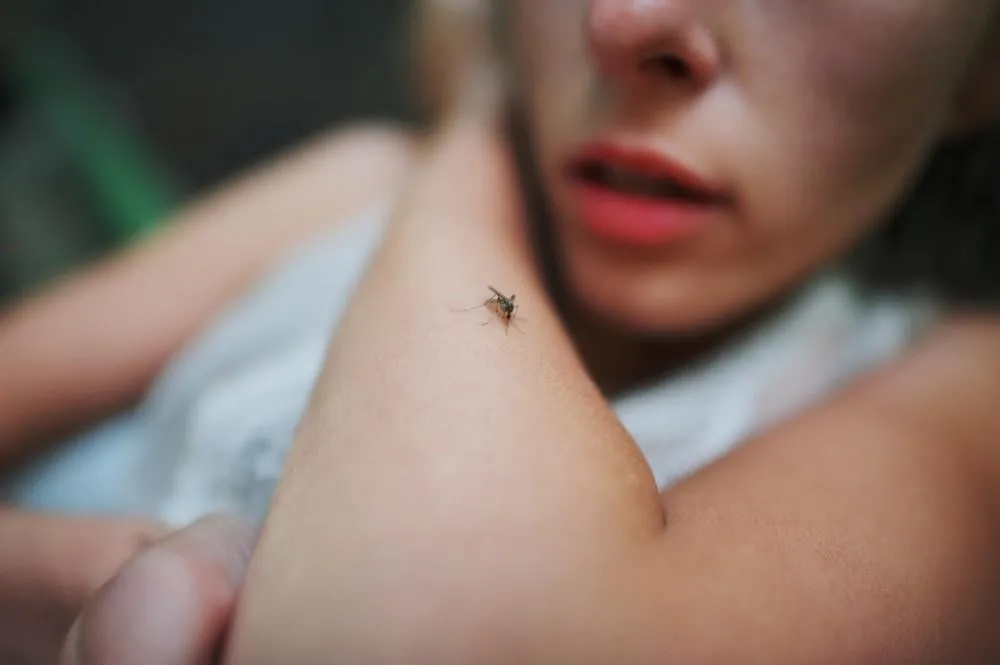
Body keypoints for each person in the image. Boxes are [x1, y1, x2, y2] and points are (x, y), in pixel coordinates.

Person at [3, 0, 1000, 662]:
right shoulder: (347, 193)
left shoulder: (955, 392)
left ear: (980, 67)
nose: (626, 20)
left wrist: (477, 129)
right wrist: (74, 575)